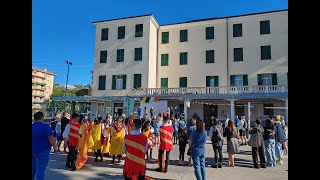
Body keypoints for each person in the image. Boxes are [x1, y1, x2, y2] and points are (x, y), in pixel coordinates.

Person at [32, 111, 57, 180]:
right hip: (43, 150)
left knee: (33, 169)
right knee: (40, 169)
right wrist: (55, 147)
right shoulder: (45, 127)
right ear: (42, 118)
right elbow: (51, 138)